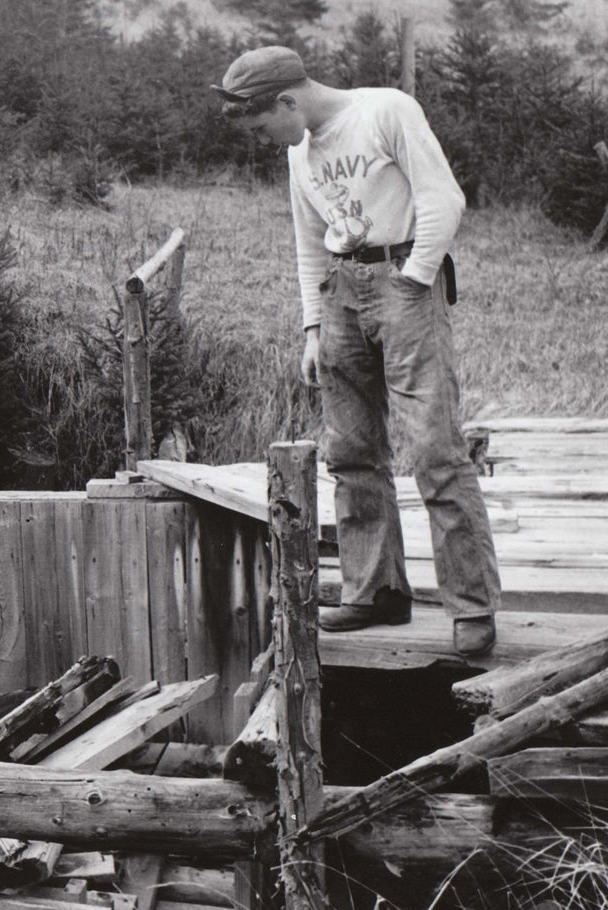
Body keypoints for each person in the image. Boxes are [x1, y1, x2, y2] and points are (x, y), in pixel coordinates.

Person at [211, 45, 500, 656]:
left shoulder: (386, 112)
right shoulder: (299, 151)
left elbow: (444, 198)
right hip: (340, 291)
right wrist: (313, 328)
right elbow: (308, 239)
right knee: (351, 452)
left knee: (435, 450)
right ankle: (375, 592)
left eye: (265, 125)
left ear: (288, 100)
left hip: (404, 281)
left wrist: (416, 278)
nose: (267, 140)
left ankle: (472, 607)